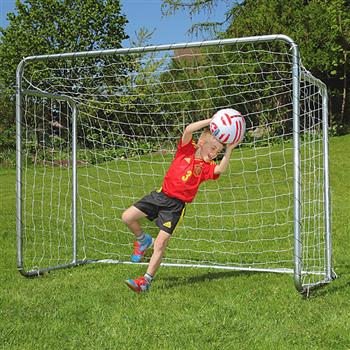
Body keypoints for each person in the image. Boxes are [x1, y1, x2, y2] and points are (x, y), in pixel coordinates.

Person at [122, 117, 237, 293]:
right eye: (213, 148)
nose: (214, 154)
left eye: (218, 151)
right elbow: (189, 129)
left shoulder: (207, 167)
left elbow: (220, 169)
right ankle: (143, 240)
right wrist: (212, 120)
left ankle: (145, 282)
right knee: (127, 217)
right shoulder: (186, 150)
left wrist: (229, 150)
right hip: (159, 196)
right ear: (201, 143)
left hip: (175, 207)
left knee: (160, 243)